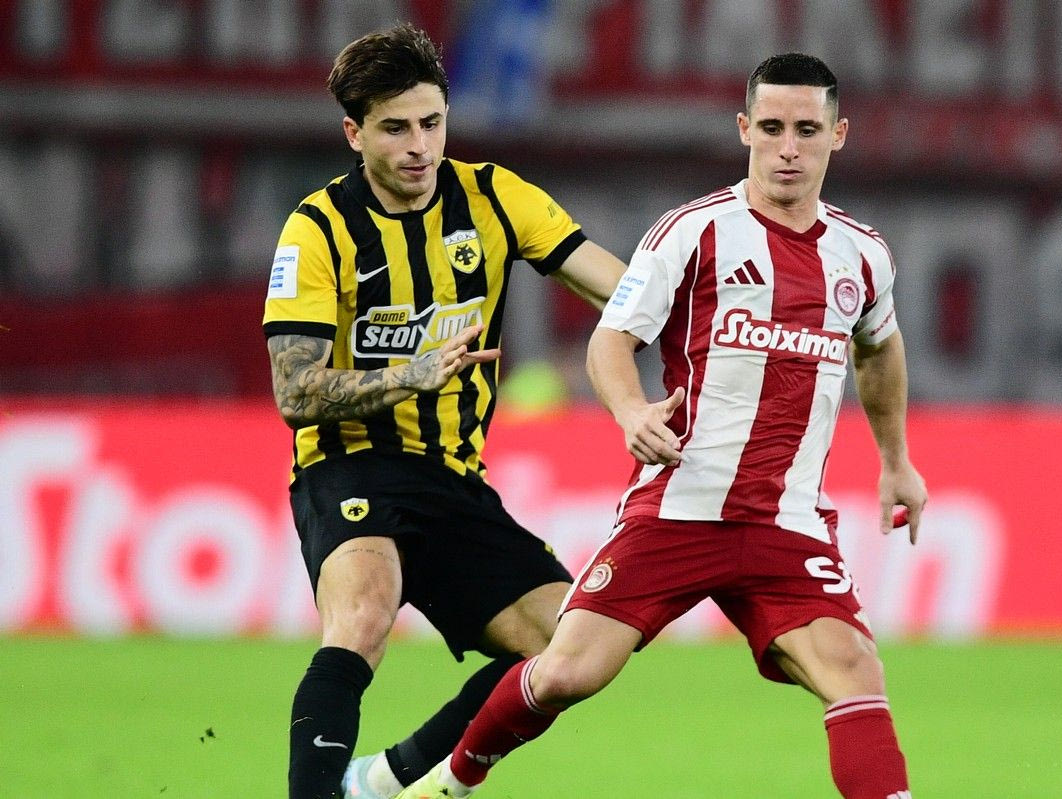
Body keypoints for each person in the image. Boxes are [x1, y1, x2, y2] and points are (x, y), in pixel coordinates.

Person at [399, 53, 928, 799]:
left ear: (837, 135)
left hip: (786, 521)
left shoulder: (863, 255)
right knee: (568, 672)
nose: (787, 148)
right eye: (771, 128)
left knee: (855, 669)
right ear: (744, 128)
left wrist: (896, 459)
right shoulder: (692, 232)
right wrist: (630, 411)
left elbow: (879, 350)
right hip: (681, 505)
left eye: (807, 131)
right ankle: (447, 783)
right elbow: (611, 341)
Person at [262, 23, 627, 799]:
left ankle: (381, 780)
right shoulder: (318, 228)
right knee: (364, 614)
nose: (420, 146)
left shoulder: (493, 196)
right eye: (396, 128)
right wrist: (413, 373)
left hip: (453, 474)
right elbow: (294, 392)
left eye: (432, 123)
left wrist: (710, 320)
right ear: (355, 133)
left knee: (568, 646)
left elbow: (619, 289)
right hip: (348, 463)